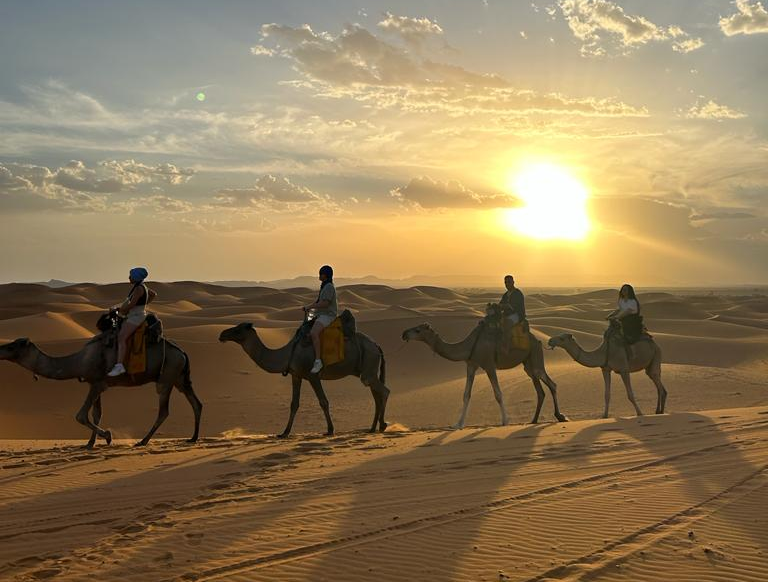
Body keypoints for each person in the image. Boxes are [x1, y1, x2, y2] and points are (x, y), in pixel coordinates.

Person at [107, 267, 157, 377]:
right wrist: (144, 304)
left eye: (131, 276)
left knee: (121, 337)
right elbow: (153, 294)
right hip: (135, 314)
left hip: (136, 317)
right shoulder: (141, 287)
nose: (129, 278)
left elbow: (131, 305)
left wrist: (118, 309)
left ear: (136, 277)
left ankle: (119, 366)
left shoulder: (139, 289)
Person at [304, 265, 338, 374]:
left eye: (321, 273)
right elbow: (319, 302)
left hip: (328, 315)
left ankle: (318, 361)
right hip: (321, 314)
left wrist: (310, 307)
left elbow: (325, 303)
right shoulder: (324, 286)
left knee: (314, 333)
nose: (319, 275)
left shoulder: (329, 287)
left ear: (325, 275)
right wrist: (309, 307)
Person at [606, 283, 642, 357]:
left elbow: (628, 311)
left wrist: (617, 317)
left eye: (626, 290)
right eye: (623, 289)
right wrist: (610, 315)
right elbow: (619, 309)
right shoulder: (621, 300)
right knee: (609, 332)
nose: (624, 291)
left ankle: (632, 353)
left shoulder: (632, 301)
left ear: (629, 291)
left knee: (626, 334)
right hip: (622, 318)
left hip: (632, 320)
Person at [499, 274, 526, 352]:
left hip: (517, 315)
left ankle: (506, 347)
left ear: (513, 282)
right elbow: (501, 304)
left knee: (507, 323)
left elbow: (513, 307)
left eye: (509, 282)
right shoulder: (505, 295)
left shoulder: (517, 293)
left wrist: (505, 306)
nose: (507, 284)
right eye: (506, 282)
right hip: (507, 315)